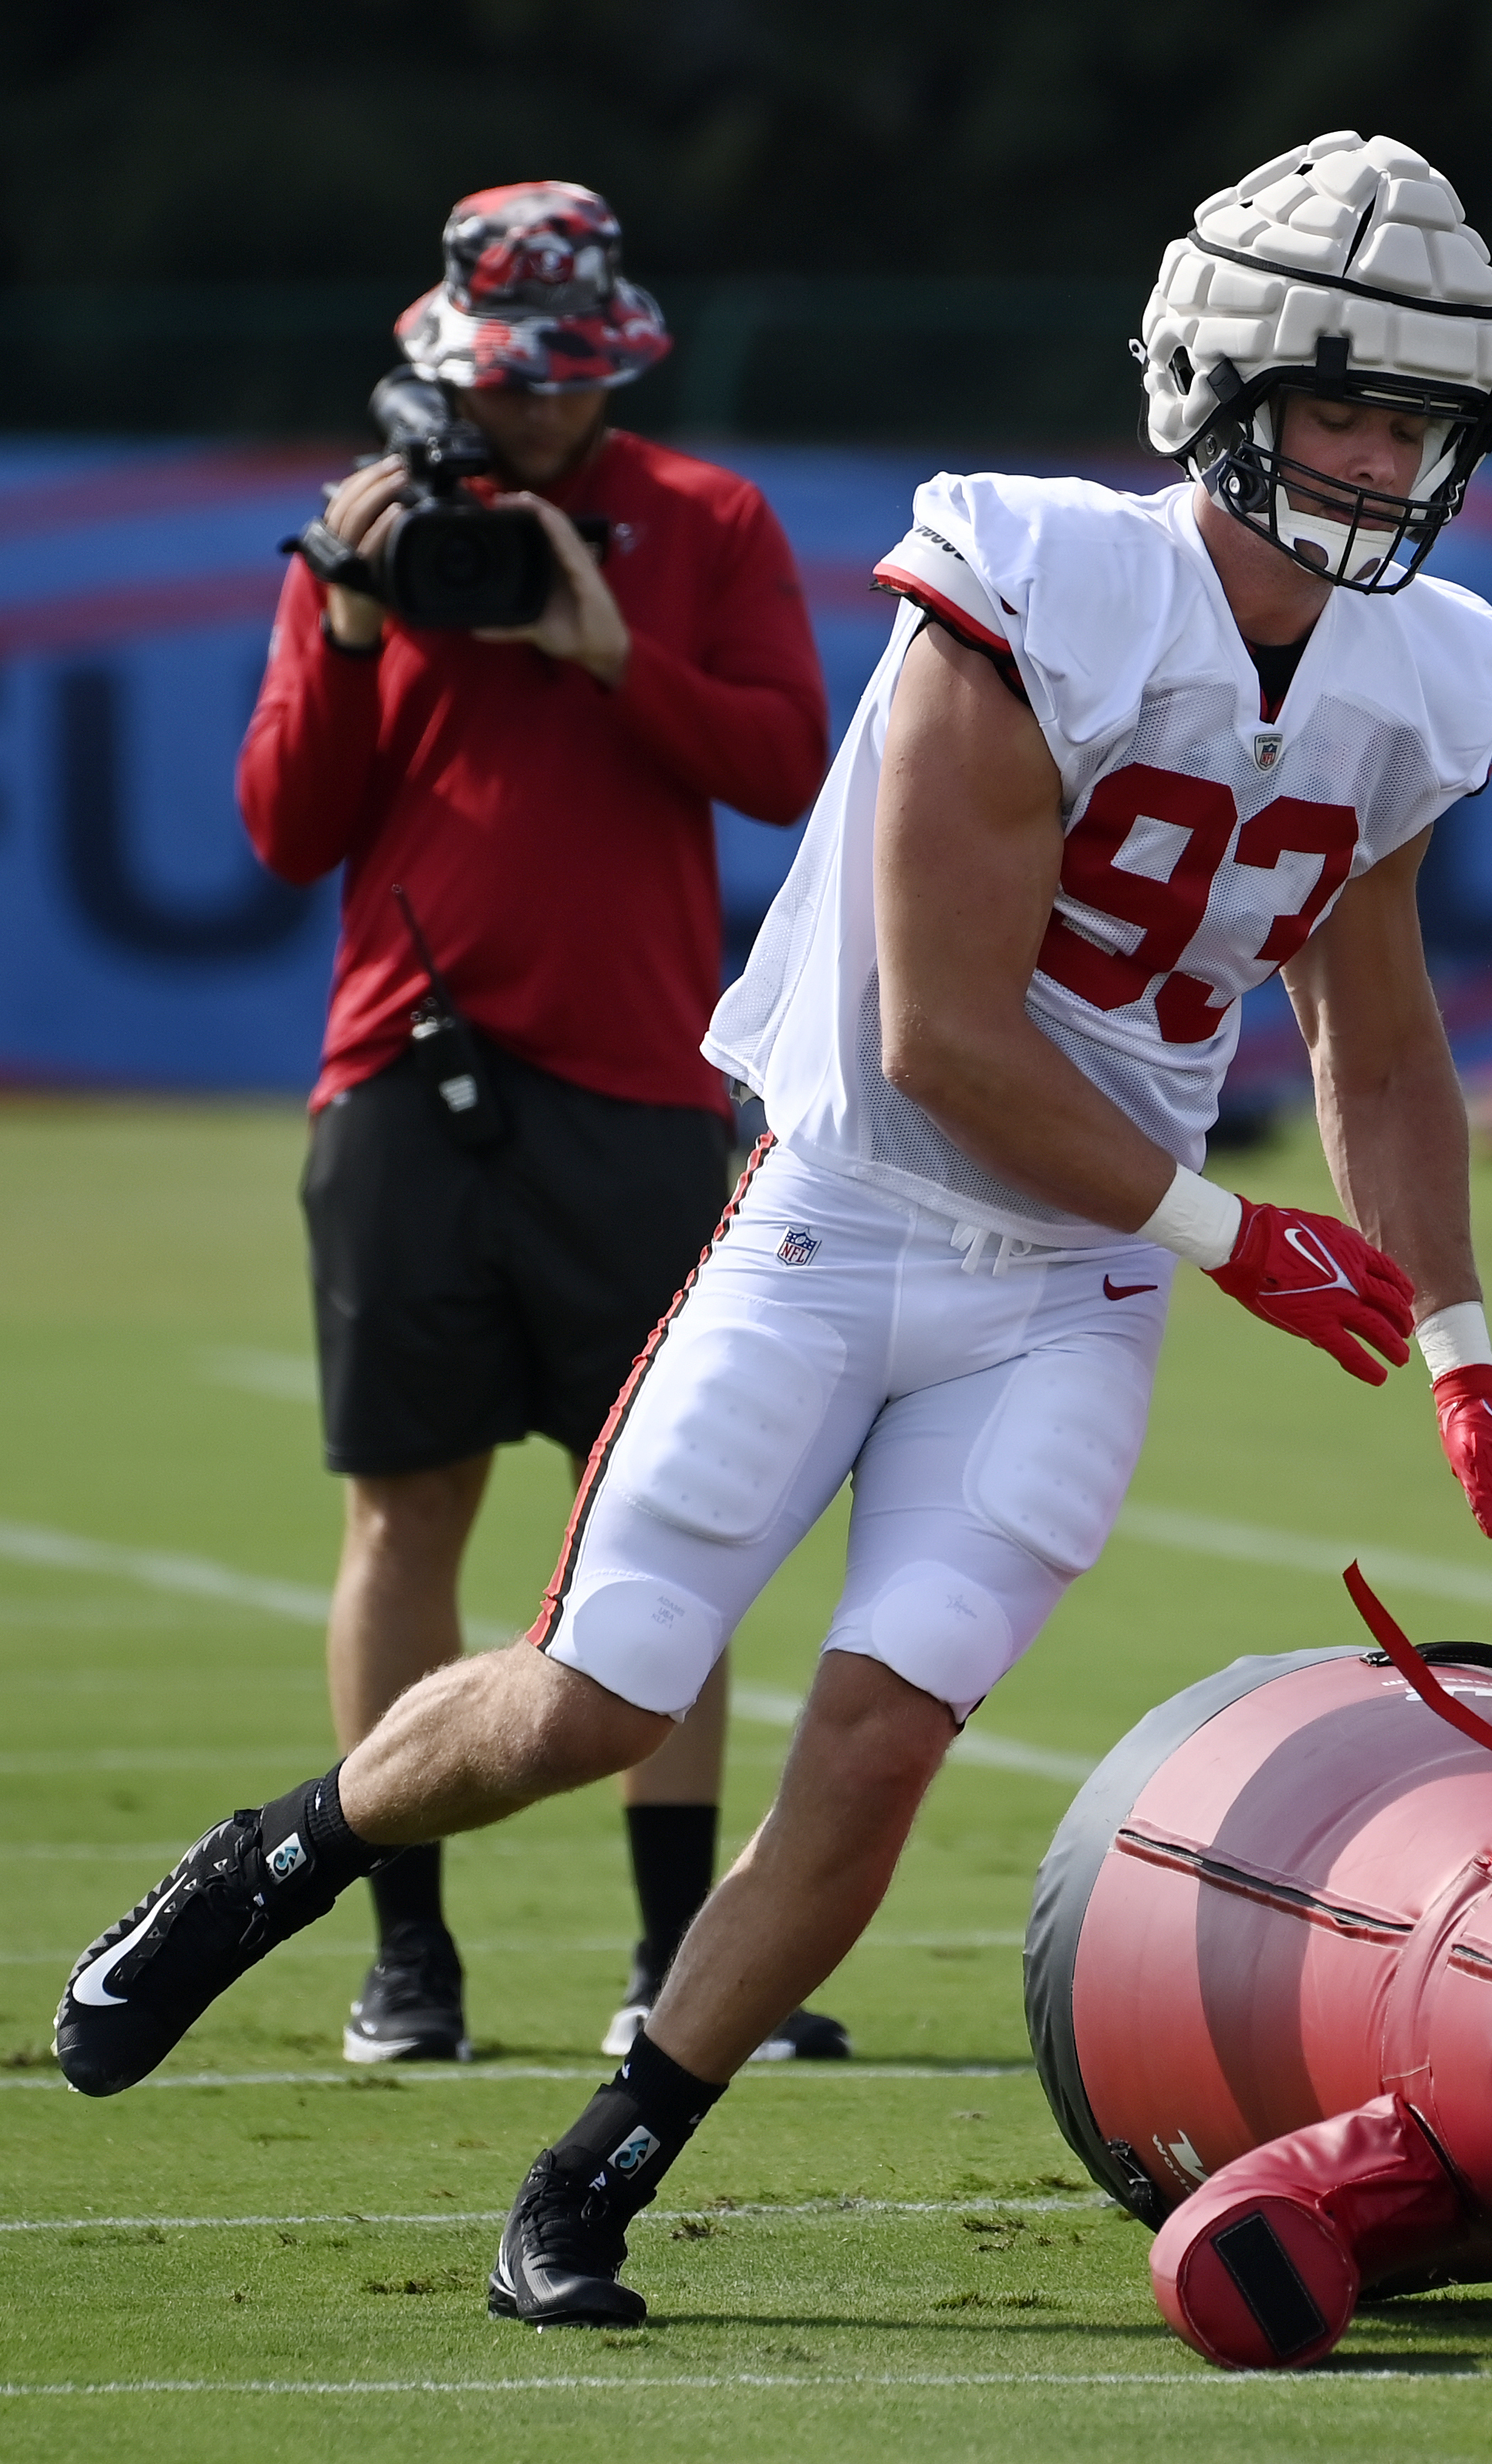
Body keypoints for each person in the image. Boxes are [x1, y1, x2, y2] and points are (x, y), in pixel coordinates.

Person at [58, 129, 1492, 2331]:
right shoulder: (1032, 576)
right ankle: (282, 1858)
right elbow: (945, 1039)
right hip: (849, 1213)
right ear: (1219, 386)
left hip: (1078, 1286)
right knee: (588, 1695)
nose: (1388, 457)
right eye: (1349, 400)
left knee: (879, 1744)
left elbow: (1384, 1034)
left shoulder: (1428, 673)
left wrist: (1458, 1339)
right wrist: (1245, 1237)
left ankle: (594, 2173)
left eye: (1425, 418)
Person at [235, 181, 845, 2068]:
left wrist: (607, 646)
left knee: (673, 1513)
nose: (539, 421)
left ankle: (680, 1955)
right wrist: (346, 625)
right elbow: (281, 824)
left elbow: (782, 764)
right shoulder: (371, 530)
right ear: (450, 365)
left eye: (572, 388)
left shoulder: (702, 521)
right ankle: (404, 1955)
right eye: (513, 389)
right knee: (402, 1514)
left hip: (647, 1084)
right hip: (407, 1077)